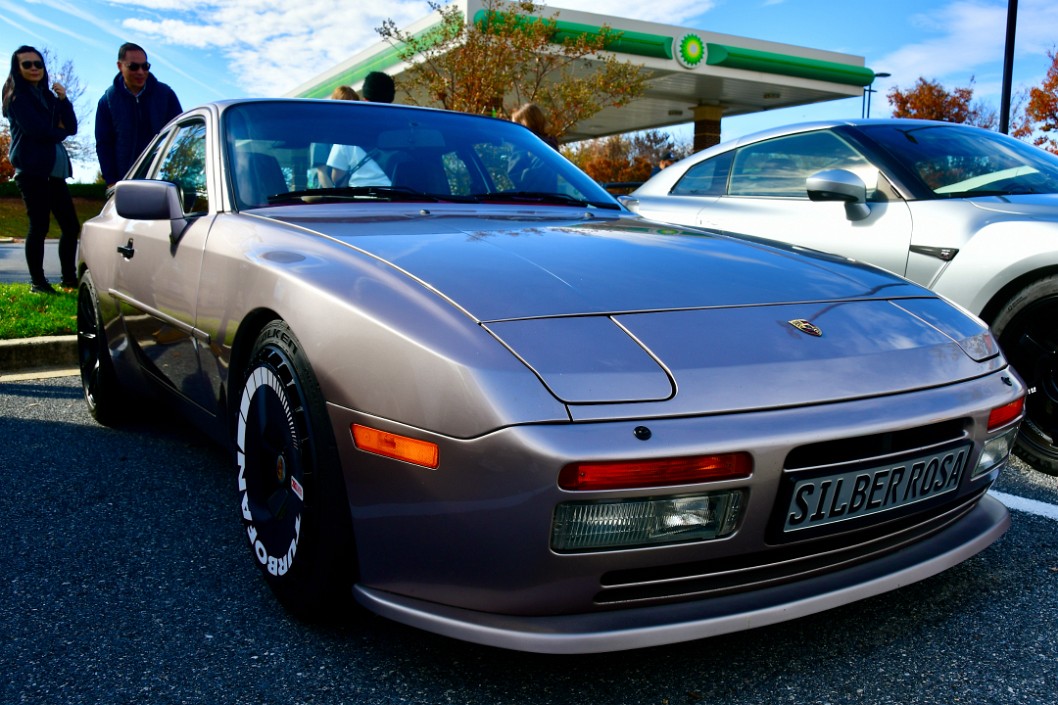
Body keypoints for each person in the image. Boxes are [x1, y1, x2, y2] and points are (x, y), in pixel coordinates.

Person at [2, 46, 80, 293]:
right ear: (18, 68)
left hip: (55, 172)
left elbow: (72, 127)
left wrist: (64, 100)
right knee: (39, 226)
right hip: (32, 171)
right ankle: (38, 282)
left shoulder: (48, 97)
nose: (34, 68)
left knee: (70, 226)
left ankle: (69, 279)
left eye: (38, 64)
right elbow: (38, 132)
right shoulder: (17, 99)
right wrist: (59, 131)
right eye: (27, 64)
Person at [95, 42, 182, 187]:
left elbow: (179, 136)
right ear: (119, 66)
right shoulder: (107, 101)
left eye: (145, 66)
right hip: (126, 181)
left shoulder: (166, 94)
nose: (141, 72)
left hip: (164, 180)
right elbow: (104, 144)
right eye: (134, 67)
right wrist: (111, 181)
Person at [324, 82, 390, 188]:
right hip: (395, 193)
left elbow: (336, 177)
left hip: (360, 196)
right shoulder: (390, 131)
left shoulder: (342, 139)